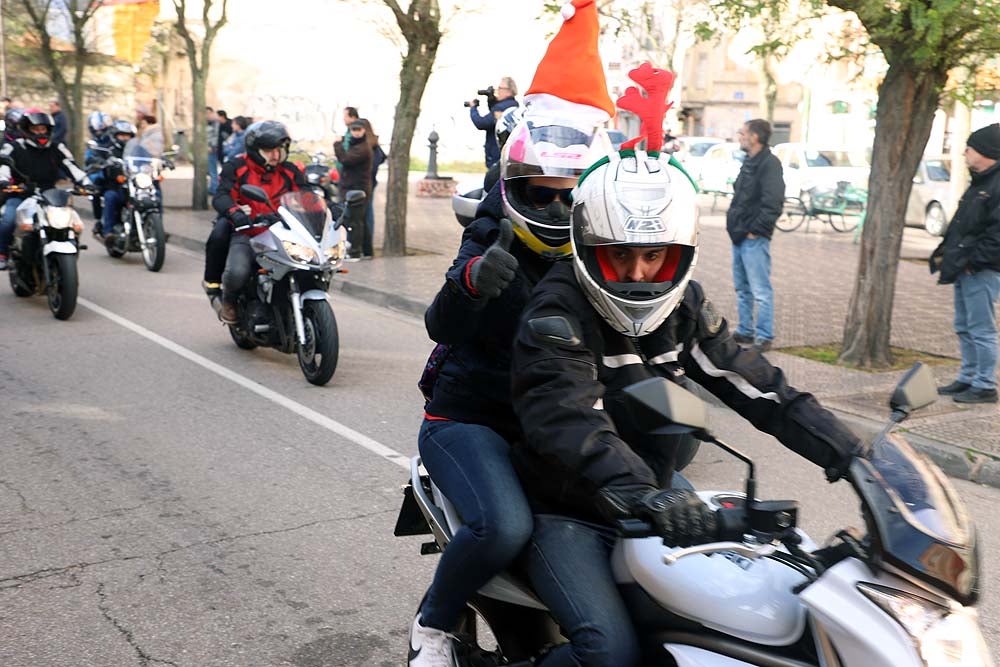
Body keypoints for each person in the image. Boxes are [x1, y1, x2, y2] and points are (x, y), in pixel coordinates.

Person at [510, 143, 865, 667]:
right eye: (620, 254)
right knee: (608, 650)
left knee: (744, 616)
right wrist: (643, 493)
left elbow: (760, 387)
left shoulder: (685, 307)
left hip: (651, 496)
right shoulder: (556, 312)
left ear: (679, 251)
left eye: (653, 255)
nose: (637, 274)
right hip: (563, 505)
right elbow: (567, 416)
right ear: (588, 247)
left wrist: (854, 456)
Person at [407, 2, 618, 664]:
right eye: (540, 190)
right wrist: (472, 280)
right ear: (517, 180)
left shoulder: (606, 248)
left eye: (569, 192)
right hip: (471, 418)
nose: (555, 205)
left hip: (552, 423)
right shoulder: (490, 231)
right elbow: (441, 322)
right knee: (504, 525)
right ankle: (434, 624)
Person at [930, 123, 1000, 404]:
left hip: (980, 270)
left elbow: (997, 235)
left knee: (981, 329)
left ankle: (984, 384)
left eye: (969, 148)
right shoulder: (981, 181)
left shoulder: (995, 185)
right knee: (964, 325)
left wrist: (974, 262)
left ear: (985, 151)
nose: (964, 153)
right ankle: (967, 377)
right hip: (965, 267)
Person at [209, 120, 306, 323]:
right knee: (238, 271)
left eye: (280, 149)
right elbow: (221, 195)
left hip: (285, 232)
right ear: (255, 150)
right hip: (249, 230)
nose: (276, 155)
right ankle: (229, 301)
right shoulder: (236, 166)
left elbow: (306, 195)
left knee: (309, 266)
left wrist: (331, 208)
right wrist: (235, 213)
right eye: (269, 150)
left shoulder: (290, 171)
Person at [0, 110, 91, 270]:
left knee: (72, 223)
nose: (40, 133)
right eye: (36, 129)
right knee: (8, 220)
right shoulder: (13, 147)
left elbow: (71, 165)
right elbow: (4, 165)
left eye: (43, 129)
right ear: (26, 129)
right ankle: (2, 255)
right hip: (20, 193)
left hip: (50, 195)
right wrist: (4, 182)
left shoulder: (57, 147)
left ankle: (69, 248)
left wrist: (86, 182)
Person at [726, 118, 784, 353]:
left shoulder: (770, 164)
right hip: (739, 236)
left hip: (753, 238)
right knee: (742, 288)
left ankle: (764, 336)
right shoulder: (748, 161)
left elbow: (773, 203)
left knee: (760, 290)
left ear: (755, 137)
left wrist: (755, 230)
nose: (740, 136)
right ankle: (745, 331)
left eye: (742, 133)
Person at [333, 119, 373, 261]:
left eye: (358, 130)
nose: (356, 133)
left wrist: (337, 144)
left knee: (354, 221)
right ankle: (366, 251)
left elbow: (345, 159)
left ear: (363, 131)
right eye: (353, 130)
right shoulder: (355, 145)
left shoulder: (362, 148)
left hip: (357, 190)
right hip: (352, 188)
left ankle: (355, 251)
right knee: (357, 220)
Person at [93, 120, 137, 239]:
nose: (125, 138)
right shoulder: (108, 149)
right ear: (115, 136)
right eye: (122, 135)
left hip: (136, 187)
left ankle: (155, 227)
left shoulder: (137, 150)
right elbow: (97, 157)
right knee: (110, 197)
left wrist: (160, 160)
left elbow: (149, 157)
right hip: (116, 187)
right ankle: (108, 232)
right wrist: (101, 162)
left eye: (127, 136)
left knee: (155, 196)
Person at [468, 76, 519, 169]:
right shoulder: (514, 105)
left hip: (496, 157)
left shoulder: (501, 108)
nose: (497, 91)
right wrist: (490, 100)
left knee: (493, 181)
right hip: (506, 156)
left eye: (500, 88)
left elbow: (481, 123)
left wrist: (473, 108)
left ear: (509, 90)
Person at [361, 118, 385, 259]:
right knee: (367, 211)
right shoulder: (372, 143)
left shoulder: (370, 144)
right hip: (369, 181)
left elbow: (378, 159)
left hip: (366, 182)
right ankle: (367, 243)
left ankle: (367, 244)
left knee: (366, 212)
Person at [206, 106, 220, 194]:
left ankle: (214, 189)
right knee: (209, 170)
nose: (206, 115)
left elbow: (215, 135)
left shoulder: (215, 123)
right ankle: (212, 188)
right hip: (205, 149)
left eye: (208, 113)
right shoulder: (205, 123)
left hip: (211, 149)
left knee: (212, 170)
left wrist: (212, 146)